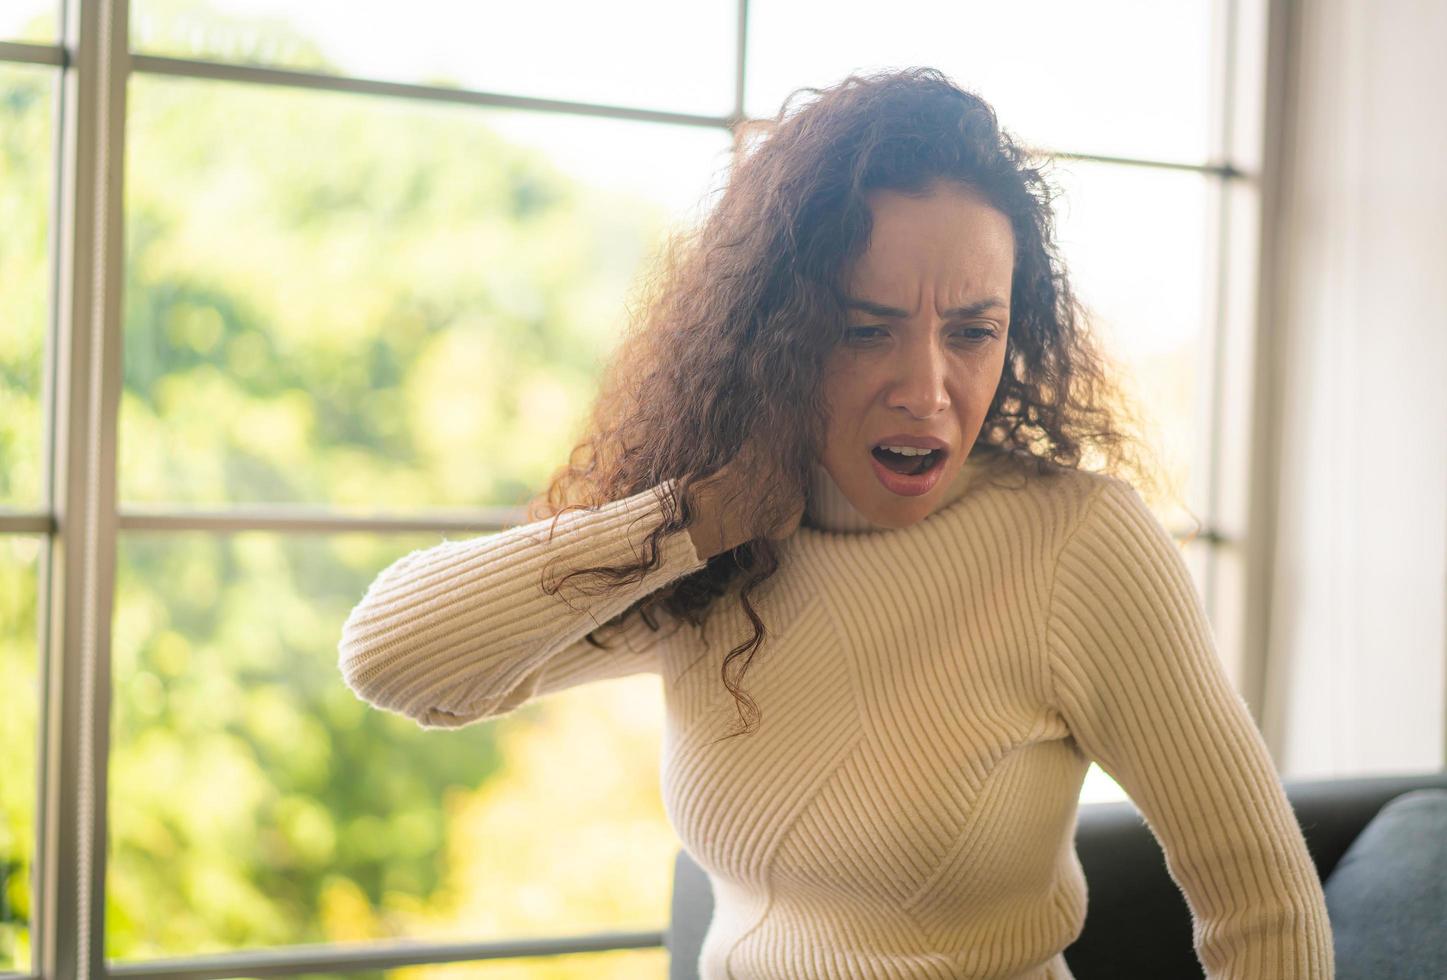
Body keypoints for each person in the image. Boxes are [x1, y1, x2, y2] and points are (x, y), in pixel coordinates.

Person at [337, 67, 1334, 979]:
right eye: (868, 330)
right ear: (783, 335)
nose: (927, 388)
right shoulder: (716, 545)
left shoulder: (1075, 544)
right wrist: (690, 519)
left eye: (972, 331)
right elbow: (393, 657)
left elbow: (1266, 906)